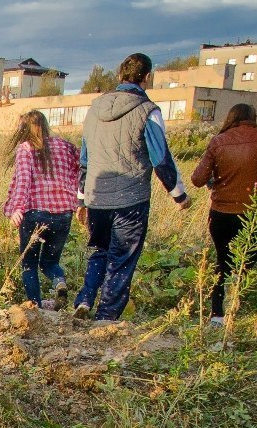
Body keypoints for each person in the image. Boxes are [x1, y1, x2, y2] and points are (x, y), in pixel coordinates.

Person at [73, 53, 190, 321]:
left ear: (119, 76)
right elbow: (160, 158)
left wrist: (81, 199)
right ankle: (106, 317)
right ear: (147, 77)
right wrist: (178, 194)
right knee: (122, 258)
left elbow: (85, 159)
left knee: (99, 250)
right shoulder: (148, 110)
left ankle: (85, 300)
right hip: (130, 199)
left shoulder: (94, 110)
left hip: (96, 197)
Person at [191, 104, 257, 326]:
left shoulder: (219, 141)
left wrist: (215, 181)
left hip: (222, 211)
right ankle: (235, 305)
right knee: (246, 261)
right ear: (253, 118)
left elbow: (197, 178)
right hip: (254, 211)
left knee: (223, 261)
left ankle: (217, 312)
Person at [3, 110, 80, 310]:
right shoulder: (66, 146)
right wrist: (78, 202)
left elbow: (23, 181)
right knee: (50, 262)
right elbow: (79, 174)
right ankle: (59, 281)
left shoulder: (26, 149)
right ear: (45, 125)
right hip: (63, 213)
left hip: (34, 213)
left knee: (29, 263)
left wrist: (17, 208)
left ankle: (35, 306)